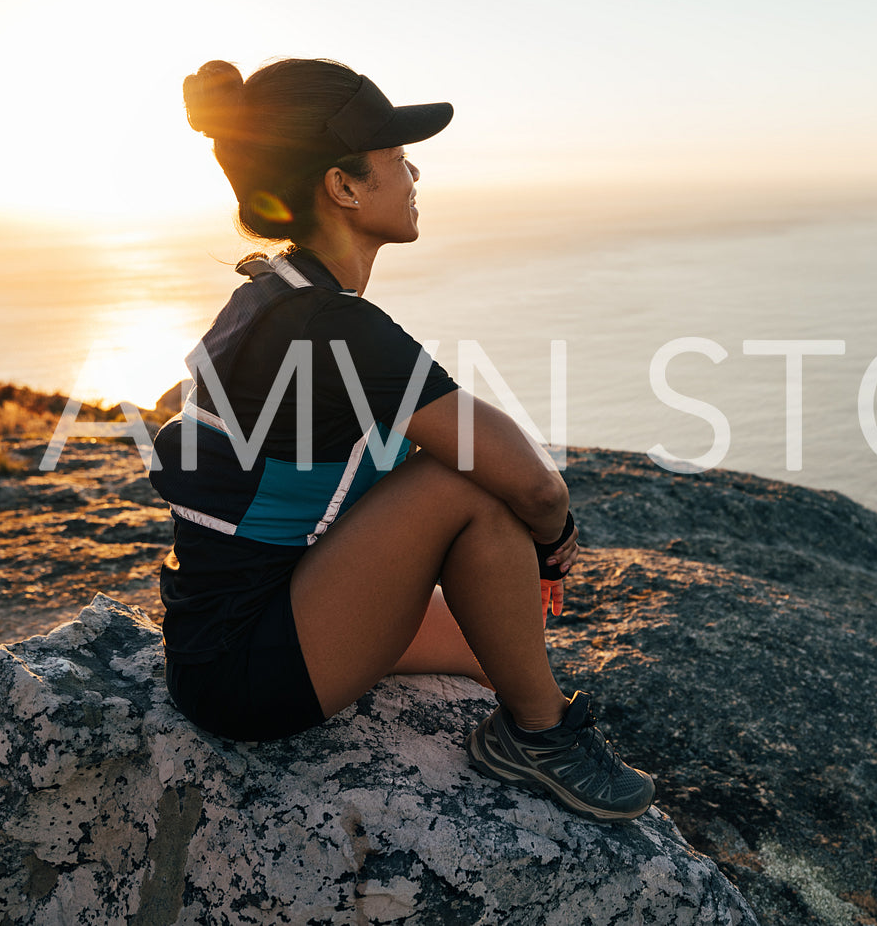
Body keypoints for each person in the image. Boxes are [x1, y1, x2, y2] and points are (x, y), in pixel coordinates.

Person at [149, 57, 654, 821]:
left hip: (254, 610)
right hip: (245, 667)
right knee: (466, 483)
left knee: (504, 654)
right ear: (343, 186)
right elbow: (530, 482)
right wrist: (554, 542)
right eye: (394, 160)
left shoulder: (274, 293)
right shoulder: (335, 328)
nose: (413, 173)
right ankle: (540, 738)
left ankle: (532, 711)